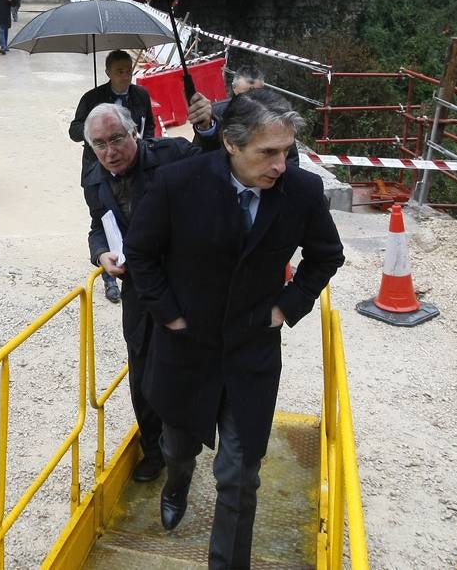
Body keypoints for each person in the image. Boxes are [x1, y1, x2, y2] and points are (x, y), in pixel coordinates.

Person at [126, 93, 345, 568]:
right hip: (186, 347)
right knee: (178, 446)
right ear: (229, 143)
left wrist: (286, 308)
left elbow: (327, 255)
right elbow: (140, 254)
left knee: (240, 475)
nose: (280, 165)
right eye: (267, 153)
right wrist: (169, 315)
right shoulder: (176, 183)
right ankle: (177, 483)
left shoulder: (301, 193)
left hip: (251, 353)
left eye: (286, 150)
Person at [82, 99, 220, 485]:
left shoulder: (172, 154)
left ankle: (187, 450)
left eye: (116, 139)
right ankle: (155, 450)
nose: (110, 152)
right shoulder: (94, 178)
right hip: (139, 289)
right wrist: (100, 255)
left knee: (190, 366)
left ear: (135, 132)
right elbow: (97, 226)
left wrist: (207, 127)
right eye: (99, 144)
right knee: (143, 372)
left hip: (187, 283)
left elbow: (215, 164)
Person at [69, 50, 157, 303]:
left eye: (129, 70)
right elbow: (75, 131)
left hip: (136, 169)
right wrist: (97, 127)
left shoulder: (140, 95)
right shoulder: (92, 98)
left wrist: (145, 144)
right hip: (98, 171)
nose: (126, 76)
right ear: (108, 72)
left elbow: (148, 124)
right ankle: (110, 275)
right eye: (119, 71)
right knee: (105, 218)